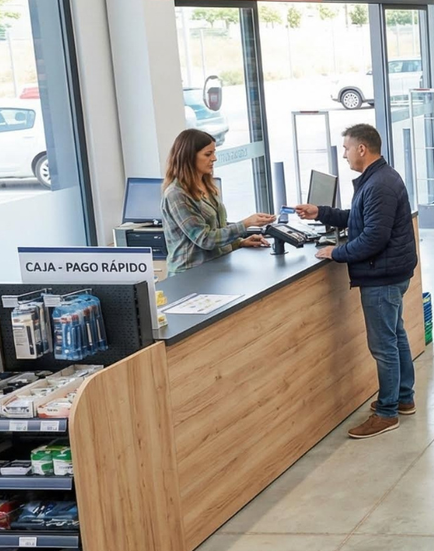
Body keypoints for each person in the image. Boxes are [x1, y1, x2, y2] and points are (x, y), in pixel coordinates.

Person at [294, 124, 418, 439]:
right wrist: (320, 212)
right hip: (391, 273)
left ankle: (387, 412)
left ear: (362, 148)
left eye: (347, 148)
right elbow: (359, 217)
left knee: (383, 344)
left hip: (382, 276)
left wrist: (338, 252)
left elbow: (374, 238)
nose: (345, 154)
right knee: (396, 336)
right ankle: (403, 398)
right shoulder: (378, 179)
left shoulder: (379, 184)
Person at [161, 128, 275, 274]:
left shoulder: (207, 185)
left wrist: (239, 242)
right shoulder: (176, 195)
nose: (214, 158)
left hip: (217, 266)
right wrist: (246, 224)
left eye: (214, 152)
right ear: (189, 157)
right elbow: (205, 239)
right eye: (208, 154)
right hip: (191, 274)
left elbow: (217, 227)